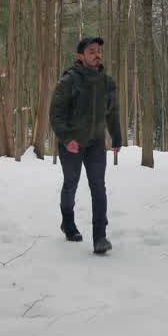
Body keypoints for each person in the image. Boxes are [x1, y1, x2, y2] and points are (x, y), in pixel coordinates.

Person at [49, 36, 122, 255]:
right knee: (71, 183)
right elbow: (56, 114)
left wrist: (116, 137)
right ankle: (68, 223)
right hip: (71, 143)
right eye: (91, 51)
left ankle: (100, 237)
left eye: (98, 50)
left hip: (96, 143)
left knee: (98, 186)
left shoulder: (107, 82)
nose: (97, 54)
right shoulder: (69, 81)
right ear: (80, 56)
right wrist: (66, 138)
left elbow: (112, 111)